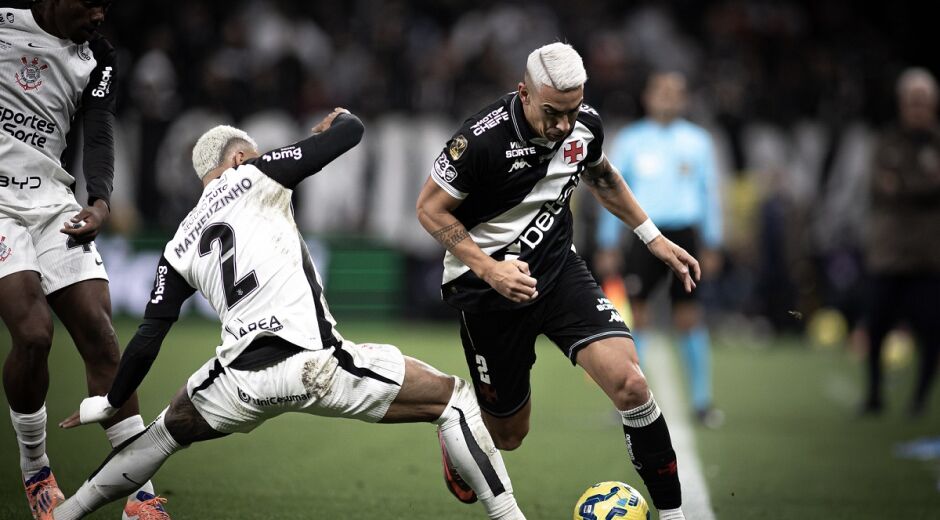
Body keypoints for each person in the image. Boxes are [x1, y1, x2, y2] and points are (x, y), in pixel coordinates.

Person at [50, 108, 527, 520]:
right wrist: (334, 122)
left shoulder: (178, 243)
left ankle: (67, 512)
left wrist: (112, 401)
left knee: (157, 438)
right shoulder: (255, 174)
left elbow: (150, 336)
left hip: (238, 381)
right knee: (454, 400)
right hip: (315, 364)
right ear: (238, 159)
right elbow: (352, 132)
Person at [416, 42, 698, 520]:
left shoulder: (584, 124)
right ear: (524, 93)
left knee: (631, 384)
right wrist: (490, 268)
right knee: (509, 435)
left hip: (558, 270)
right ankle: (461, 442)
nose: (564, 125)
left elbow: (602, 175)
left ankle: (674, 515)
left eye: (572, 110)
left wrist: (652, 237)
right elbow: (428, 209)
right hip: (485, 290)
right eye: (552, 112)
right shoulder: (479, 140)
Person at [0, 1, 163, 517]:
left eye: (107, 5)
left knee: (100, 335)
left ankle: (138, 495)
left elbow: (97, 131)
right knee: (33, 334)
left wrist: (99, 201)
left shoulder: (100, 56)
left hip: (52, 202)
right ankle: (36, 468)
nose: (99, 14)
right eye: (90, 3)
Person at [594, 71, 724, 427]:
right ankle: (631, 398)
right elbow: (610, 191)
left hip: (685, 233)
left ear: (684, 99)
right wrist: (608, 241)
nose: (667, 97)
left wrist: (712, 242)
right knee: (636, 317)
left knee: (689, 317)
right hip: (643, 235)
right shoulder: (631, 140)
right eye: (661, 91)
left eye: (675, 92)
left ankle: (701, 402)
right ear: (648, 97)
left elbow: (709, 194)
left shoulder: (698, 141)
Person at [861, 67, 940, 417]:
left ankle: (920, 401)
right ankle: (874, 396)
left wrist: (903, 185)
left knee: (931, 333)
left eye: (923, 102)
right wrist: (923, 185)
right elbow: (880, 187)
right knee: (875, 329)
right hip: (889, 255)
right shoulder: (886, 140)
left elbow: (898, 187)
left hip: (928, 257)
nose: (917, 109)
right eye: (912, 102)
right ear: (901, 104)